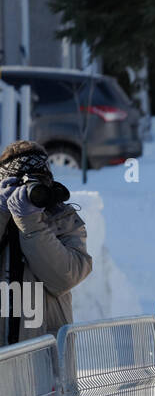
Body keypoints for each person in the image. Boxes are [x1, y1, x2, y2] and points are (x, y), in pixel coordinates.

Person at [0, 140, 91, 347]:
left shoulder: (64, 218)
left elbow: (66, 276)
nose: (26, 192)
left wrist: (31, 223)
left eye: (37, 182)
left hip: (46, 354)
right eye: (18, 185)